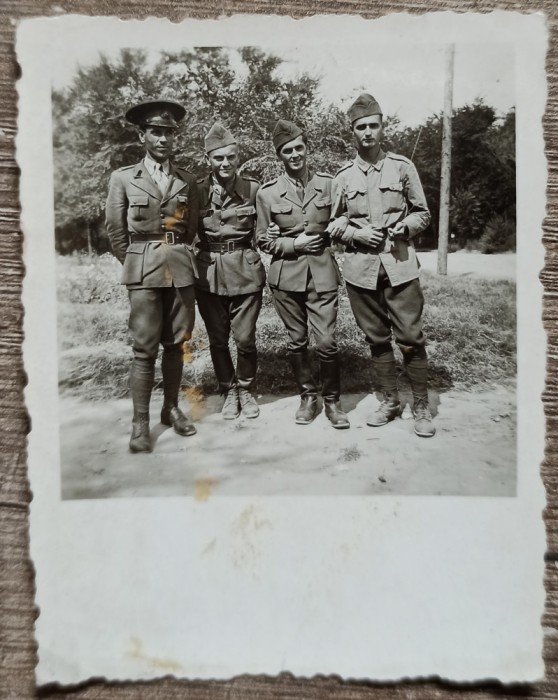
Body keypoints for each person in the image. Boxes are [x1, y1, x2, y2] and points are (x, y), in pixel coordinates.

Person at [328, 93, 435, 437]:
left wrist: (406, 227)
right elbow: (334, 224)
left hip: (400, 265)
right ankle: (390, 401)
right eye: (361, 127)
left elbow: (423, 213)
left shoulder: (402, 167)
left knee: (410, 337)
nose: (368, 132)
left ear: (382, 127)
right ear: (353, 132)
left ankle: (420, 405)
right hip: (361, 270)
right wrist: (357, 236)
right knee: (376, 339)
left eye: (374, 125)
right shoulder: (342, 176)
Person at [106, 99, 198, 453]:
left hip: (179, 270)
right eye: (156, 133)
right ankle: (140, 423)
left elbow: (189, 229)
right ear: (142, 136)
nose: (163, 139)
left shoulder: (186, 180)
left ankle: (171, 408)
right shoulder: (123, 178)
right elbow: (115, 231)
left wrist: (174, 254)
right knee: (144, 349)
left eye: (169, 133)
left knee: (176, 343)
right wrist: (137, 261)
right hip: (142, 270)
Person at [256, 120, 349, 429]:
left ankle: (333, 401)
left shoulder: (329, 184)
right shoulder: (268, 193)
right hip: (286, 278)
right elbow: (263, 240)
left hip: (322, 273)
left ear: (307, 149)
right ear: (279, 156)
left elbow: (345, 215)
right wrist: (293, 243)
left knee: (326, 342)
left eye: (299, 148)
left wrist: (342, 224)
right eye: (287, 151)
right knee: (297, 341)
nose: (294, 154)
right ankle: (308, 397)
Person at [195, 124, 265, 420]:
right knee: (217, 339)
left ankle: (246, 388)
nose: (225, 164)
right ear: (208, 159)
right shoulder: (196, 191)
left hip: (245, 272)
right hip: (208, 274)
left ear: (239, 158)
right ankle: (228, 389)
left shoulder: (252, 189)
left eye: (231, 158)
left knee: (245, 339)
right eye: (218, 158)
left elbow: (262, 233)